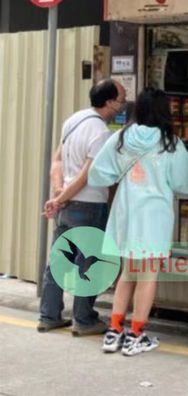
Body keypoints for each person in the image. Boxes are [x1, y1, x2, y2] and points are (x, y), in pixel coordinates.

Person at [88, 87, 188, 356]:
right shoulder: (171, 142)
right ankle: (136, 334)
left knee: (127, 273)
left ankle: (114, 331)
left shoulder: (121, 137)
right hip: (155, 216)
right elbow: (183, 184)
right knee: (148, 276)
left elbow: (99, 173)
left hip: (126, 212)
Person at [38, 79, 126, 335]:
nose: (123, 105)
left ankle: (49, 315)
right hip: (89, 204)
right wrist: (60, 197)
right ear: (109, 103)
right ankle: (84, 320)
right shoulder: (101, 132)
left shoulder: (73, 120)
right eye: (121, 100)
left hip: (67, 205)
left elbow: (57, 161)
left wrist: (59, 192)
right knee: (90, 263)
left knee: (59, 260)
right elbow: (87, 175)